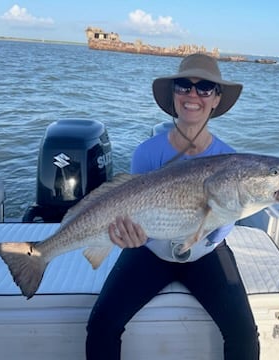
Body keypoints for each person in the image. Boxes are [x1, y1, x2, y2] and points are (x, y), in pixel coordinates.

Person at [86, 53, 260, 359]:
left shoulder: (231, 159)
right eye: (184, 86)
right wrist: (134, 236)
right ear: (174, 94)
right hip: (151, 250)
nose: (193, 95)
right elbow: (132, 209)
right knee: (101, 325)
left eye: (205, 87)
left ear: (217, 99)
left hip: (206, 250)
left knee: (245, 335)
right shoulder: (146, 153)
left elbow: (222, 226)